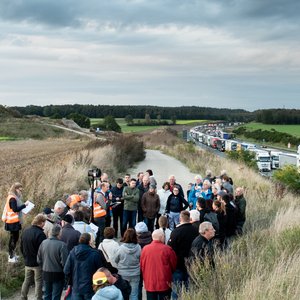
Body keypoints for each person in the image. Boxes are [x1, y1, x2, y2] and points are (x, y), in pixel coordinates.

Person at [64, 233, 106, 300]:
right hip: (90, 287)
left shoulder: (72, 252)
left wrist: (71, 281)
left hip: (76, 287)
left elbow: (66, 270)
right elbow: (100, 271)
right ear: (89, 241)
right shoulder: (95, 254)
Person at [168, 211, 198, 299]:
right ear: (189, 219)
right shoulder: (195, 230)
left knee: (176, 290)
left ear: (180, 219)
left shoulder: (176, 232)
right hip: (191, 263)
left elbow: (171, 250)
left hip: (178, 265)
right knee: (189, 289)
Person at [141, 230, 177, 300]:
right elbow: (173, 264)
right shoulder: (167, 249)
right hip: (164, 282)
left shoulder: (145, 249)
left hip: (150, 282)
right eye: (163, 236)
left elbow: (142, 265)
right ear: (161, 237)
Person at [37, 224, 69, 300]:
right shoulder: (62, 245)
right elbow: (65, 263)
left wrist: (44, 266)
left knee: (47, 295)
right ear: (59, 233)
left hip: (46, 273)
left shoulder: (43, 243)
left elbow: (38, 259)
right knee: (56, 296)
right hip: (58, 275)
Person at [20, 214, 47, 300]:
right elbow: (43, 250)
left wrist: (25, 257)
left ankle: (23, 297)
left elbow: (21, 247)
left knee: (26, 281)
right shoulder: (41, 234)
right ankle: (38, 298)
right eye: (44, 222)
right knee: (38, 281)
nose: (45, 224)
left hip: (27, 262)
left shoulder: (25, 231)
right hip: (37, 263)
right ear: (41, 223)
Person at [2, 182, 29, 263]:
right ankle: (11, 256)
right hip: (12, 222)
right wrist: (24, 205)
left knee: (13, 238)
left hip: (12, 221)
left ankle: (12, 254)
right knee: (14, 238)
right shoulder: (13, 198)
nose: (20, 191)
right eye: (20, 190)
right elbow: (15, 209)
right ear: (16, 189)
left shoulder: (12, 197)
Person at [114, 228, 141, 300]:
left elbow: (115, 259)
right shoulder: (138, 247)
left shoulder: (121, 248)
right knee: (134, 294)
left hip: (123, 274)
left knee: (123, 294)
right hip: (135, 273)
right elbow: (141, 259)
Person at [93, 182, 109, 247]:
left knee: (100, 233)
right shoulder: (100, 195)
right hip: (99, 217)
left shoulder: (101, 194)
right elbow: (105, 206)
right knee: (101, 233)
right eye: (107, 187)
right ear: (102, 187)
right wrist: (109, 201)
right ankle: (99, 247)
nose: (108, 188)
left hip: (99, 216)